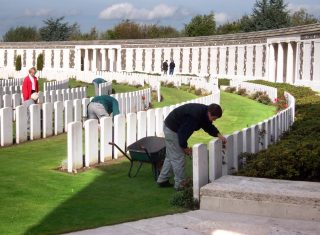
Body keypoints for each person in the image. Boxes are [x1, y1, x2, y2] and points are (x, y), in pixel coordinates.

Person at [157, 103, 227, 190]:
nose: (214, 120)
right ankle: (180, 185)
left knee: (171, 155)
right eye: (214, 118)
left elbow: (208, 126)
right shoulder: (193, 117)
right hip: (172, 129)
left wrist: (219, 135)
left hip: (172, 126)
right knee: (178, 158)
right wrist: (185, 148)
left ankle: (162, 180)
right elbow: (183, 134)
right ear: (209, 113)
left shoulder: (205, 112)